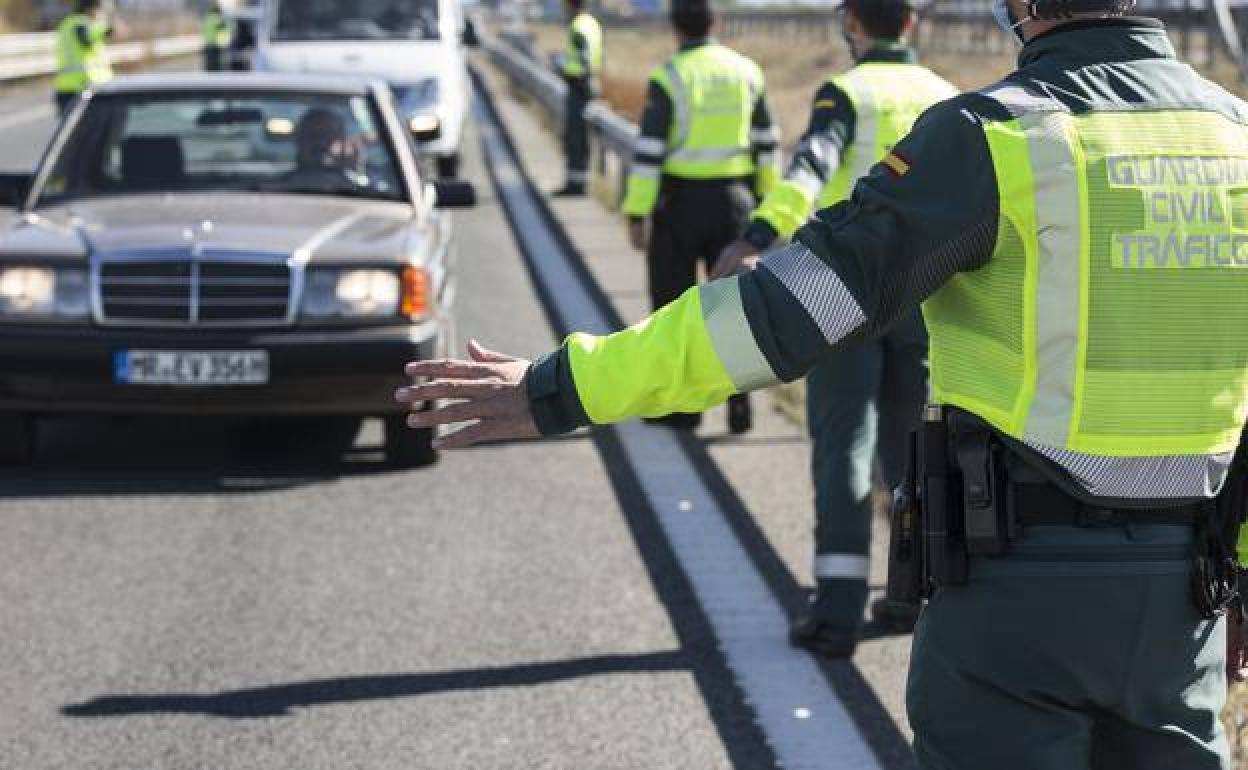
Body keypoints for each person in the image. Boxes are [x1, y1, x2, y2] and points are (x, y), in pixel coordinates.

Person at [397, 0, 1248, 764]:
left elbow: (776, 316)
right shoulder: (1239, 138)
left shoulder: (997, 135)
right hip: (1187, 607)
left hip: (1015, 603)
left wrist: (561, 387)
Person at [711, 0, 957, 658]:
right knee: (913, 450)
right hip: (928, 298)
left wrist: (758, 235)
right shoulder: (949, 98)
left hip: (842, 294)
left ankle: (837, 614)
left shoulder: (845, 93)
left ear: (851, 23)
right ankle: (910, 596)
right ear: (911, 24)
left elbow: (808, 171)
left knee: (843, 443)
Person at [620, 0, 780, 433]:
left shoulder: (669, 77)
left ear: (675, 26)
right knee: (734, 310)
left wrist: (637, 212)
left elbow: (649, 154)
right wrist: (766, 204)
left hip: (680, 204)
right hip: (737, 202)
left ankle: (684, 410)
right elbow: (767, 143)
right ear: (717, 21)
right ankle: (740, 402)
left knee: (674, 308)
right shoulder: (748, 72)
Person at [553, 0, 603, 197]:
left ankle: (575, 186)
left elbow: (584, 57)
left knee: (575, 138)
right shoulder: (591, 23)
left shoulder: (578, 26)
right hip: (587, 87)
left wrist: (574, 73)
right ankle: (579, 182)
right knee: (581, 138)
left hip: (579, 88)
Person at [54, 0, 116, 116]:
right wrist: (105, 31)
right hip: (82, 87)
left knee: (75, 132)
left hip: (68, 87)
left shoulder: (68, 23)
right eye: (100, 10)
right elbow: (85, 40)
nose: (101, 14)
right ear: (91, 8)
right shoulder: (81, 24)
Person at [201, 1, 233, 73]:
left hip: (207, 46)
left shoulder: (207, 19)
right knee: (217, 69)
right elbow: (228, 28)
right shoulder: (217, 19)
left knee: (208, 67)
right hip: (215, 47)